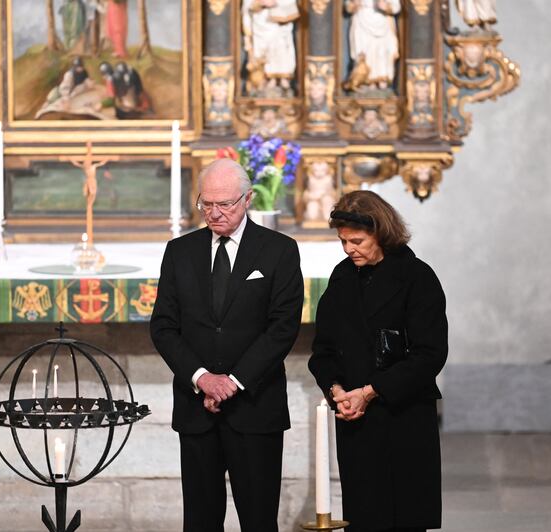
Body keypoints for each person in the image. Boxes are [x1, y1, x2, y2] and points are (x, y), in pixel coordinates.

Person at [150, 158, 304, 532]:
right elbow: (164, 326)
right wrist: (203, 379)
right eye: (207, 204)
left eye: (225, 205)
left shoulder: (279, 250)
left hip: (255, 406)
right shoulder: (180, 252)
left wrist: (232, 382)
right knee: (200, 521)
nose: (215, 214)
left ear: (247, 199)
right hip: (197, 410)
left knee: (258, 519)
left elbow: (282, 328)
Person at [308, 190, 447, 532]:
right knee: (364, 517)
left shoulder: (417, 277)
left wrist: (371, 391)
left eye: (356, 241)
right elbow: (323, 350)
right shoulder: (341, 279)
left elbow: (430, 354)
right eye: (343, 241)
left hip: (404, 418)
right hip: (357, 420)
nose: (348, 249)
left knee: (405, 518)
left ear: (381, 233)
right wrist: (336, 389)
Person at [242, 0, 299, 94]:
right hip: (260, 20)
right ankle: (265, 79)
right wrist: (259, 3)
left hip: (280, 20)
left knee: (281, 46)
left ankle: (282, 79)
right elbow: (247, 4)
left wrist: (276, 2)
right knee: (263, 49)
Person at [344, 0, 401, 91]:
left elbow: (396, 7)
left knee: (382, 52)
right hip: (362, 22)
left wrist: (385, 6)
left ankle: (382, 81)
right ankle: (366, 81)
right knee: (364, 54)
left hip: (382, 21)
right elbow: (348, 6)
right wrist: (354, 5)